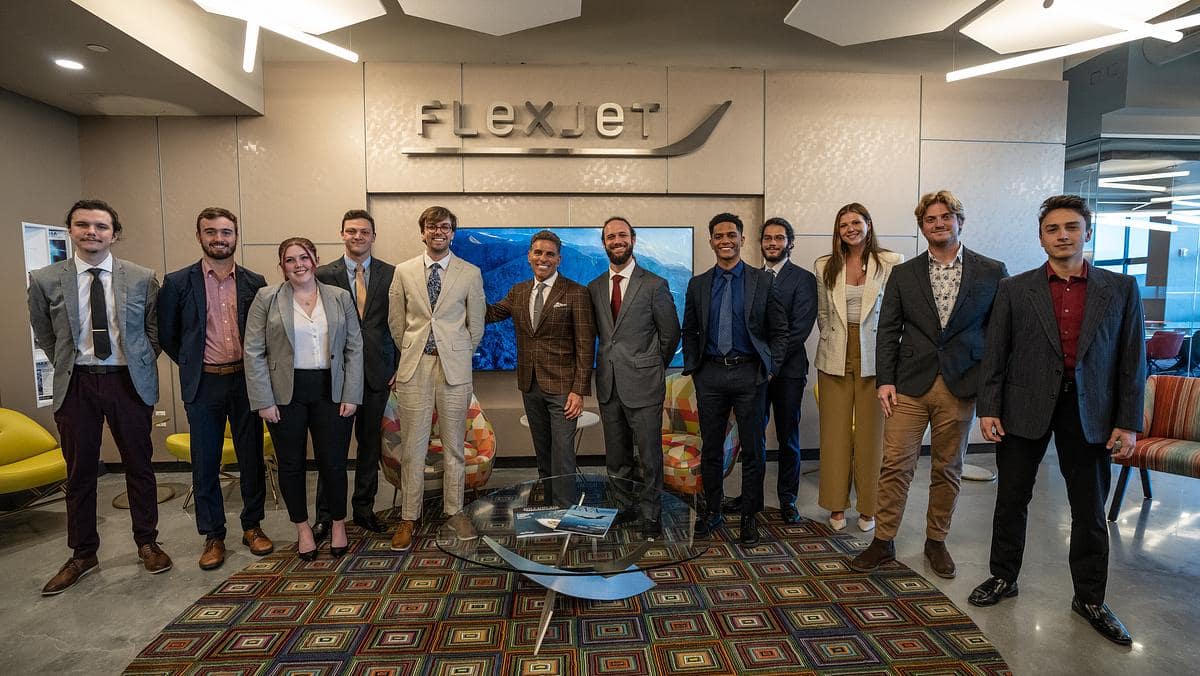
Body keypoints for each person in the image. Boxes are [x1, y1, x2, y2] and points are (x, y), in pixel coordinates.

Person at [969, 195, 1145, 646]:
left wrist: (1127, 422)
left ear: (1087, 232)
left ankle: (1090, 598)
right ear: (1041, 236)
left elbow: (1132, 360)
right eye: (1053, 228)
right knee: (1010, 500)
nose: (1062, 235)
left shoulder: (1120, 289)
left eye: (1071, 227)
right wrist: (988, 408)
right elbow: (997, 353)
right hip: (1023, 407)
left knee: (1089, 510)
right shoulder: (1016, 288)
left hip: (1091, 413)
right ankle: (1003, 577)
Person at [851, 190, 1007, 578]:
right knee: (895, 465)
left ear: (960, 221)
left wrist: (991, 393)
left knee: (948, 468)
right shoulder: (904, 274)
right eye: (930, 219)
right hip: (909, 384)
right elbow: (887, 330)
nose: (938, 224)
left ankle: (936, 541)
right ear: (922, 227)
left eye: (945, 217)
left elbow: (999, 336)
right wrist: (884, 380)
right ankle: (883, 541)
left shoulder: (991, 271)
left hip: (961, 384)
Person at [29, 199, 172, 595]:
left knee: (139, 466)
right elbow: (45, 333)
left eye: (101, 226)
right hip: (76, 384)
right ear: (70, 231)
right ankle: (82, 553)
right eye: (84, 225)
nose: (92, 232)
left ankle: (148, 542)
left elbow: (154, 331)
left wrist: (139, 361)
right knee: (79, 473)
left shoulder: (143, 277)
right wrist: (69, 363)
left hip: (127, 382)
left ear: (115, 233)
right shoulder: (45, 279)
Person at [158, 207, 272, 570]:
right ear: (199, 236)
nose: (219, 238)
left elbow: (265, 334)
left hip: (246, 380)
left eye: (226, 232)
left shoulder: (255, 281)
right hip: (203, 383)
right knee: (205, 462)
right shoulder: (177, 282)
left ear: (236, 236)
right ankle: (213, 535)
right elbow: (169, 336)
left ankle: (252, 526)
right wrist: (196, 365)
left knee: (251, 457)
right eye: (211, 232)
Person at [244, 237, 363, 561]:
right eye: (290, 260)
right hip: (285, 394)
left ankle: (338, 524)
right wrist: (263, 400)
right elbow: (253, 351)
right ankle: (303, 529)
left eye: (304, 257)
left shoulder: (339, 297)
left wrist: (352, 393)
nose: (298, 265)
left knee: (334, 463)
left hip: (332, 391)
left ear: (315, 259)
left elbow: (354, 347)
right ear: (281, 266)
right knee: (292, 465)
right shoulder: (266, 298)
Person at [682, 213, 788, 545]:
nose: (725, 240)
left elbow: (779, 331)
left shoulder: (762, 280)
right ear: (711, 241)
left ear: (742, 239)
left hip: (750, 373)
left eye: (732, 234)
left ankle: (749, 518)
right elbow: (689, 329)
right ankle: (712, 511)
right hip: (710, 374)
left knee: (753, 449)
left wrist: (770, 368)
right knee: (711, 447)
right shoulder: (698, 284)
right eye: (718, 235)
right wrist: (694, 368)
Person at [387, 206, 485, 551]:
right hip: (415, 366)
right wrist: (414, 349)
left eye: (445, 227)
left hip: (454, 368)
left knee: (454, 445)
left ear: (452, 233)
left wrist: (457, 352)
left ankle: (454, 511)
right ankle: (409, 517)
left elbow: (477, 325)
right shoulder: (404, 272)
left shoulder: (470, 273)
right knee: (413, 446)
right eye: (432, 227)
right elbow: (396, 323)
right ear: (423, 232)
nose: (438, 232)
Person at [587, 216, 681, 537]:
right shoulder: (595, 287)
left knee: (650, 457)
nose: (617, 240)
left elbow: (671, 334)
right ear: (604, 243)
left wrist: (651, 366)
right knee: (616, 458)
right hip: (609, 385)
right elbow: (601, 336)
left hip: (644, 385)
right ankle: (623, 508)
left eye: (622, 235)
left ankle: (651, 514)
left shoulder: (654, 284)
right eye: (610, 236)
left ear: (633, 239)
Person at [486, 230, 595, 503]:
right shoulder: (519, 291)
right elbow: (489, 314)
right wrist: (462, 293)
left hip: (563, 390)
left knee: (563, 454)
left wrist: (579, 391)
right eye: (538, 253)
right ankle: (549, 505)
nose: (543, 258)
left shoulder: (576, 292)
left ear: (559, 259)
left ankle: (565, 510)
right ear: (529, 256)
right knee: (543, 451)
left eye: (549, 254)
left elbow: (585, 345)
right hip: (530, 385)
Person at [814, 204, 903, 533]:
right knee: (834, 436)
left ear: (868, 224)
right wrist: (836, 341)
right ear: (837, 231)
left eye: (856, 222)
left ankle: (869, 508)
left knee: (872, 436)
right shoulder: (824, 265)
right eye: (843, 224)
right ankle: (837, 506)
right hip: (835, 354)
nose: (850, 229)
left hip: (876, 355)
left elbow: (896, 314)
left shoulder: (891, 263)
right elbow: (823, 315)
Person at [313, 209, 397, 540]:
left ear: (373, 237)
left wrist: (399, 365)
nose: (357, 236)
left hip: (377, 373)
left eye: (364, 231)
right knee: (331, 449)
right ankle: (325, 514)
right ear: (342, 234)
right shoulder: (321, 274)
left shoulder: (392, 274)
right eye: (351, 231)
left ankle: (364, 510)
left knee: (369, 449)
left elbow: (402, 322)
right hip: (335, 376)